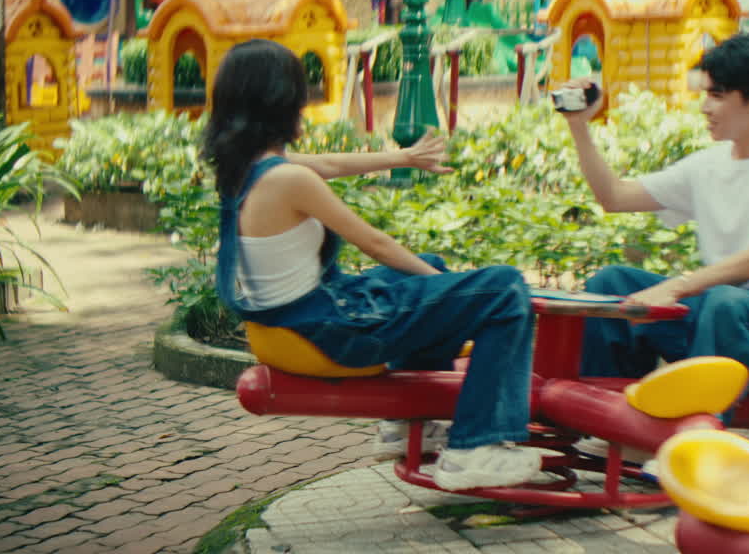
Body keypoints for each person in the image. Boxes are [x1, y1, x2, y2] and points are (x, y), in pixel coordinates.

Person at [204, 39, 540, 491]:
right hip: (329, 333)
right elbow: (376, 244)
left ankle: (405, 423)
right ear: (284, 101)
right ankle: (477, 447)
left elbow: (324, 162)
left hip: (287, 327)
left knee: (425, 264)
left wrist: (401, 158)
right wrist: (456, 287)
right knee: (503, 289)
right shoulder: (289, 179)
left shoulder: (244, 168)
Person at [557, 32, 749, 417]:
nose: (705, 107)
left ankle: (693, 434)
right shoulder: (707, 165)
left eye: (718, 96)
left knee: (726, 303)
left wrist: (674, 288)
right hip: (719, 313)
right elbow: (615, 197)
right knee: (611, 283)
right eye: (706, 93)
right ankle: (611, 420)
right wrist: (579, 125)